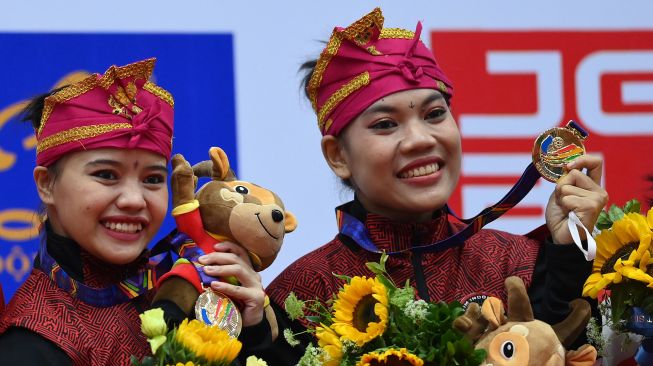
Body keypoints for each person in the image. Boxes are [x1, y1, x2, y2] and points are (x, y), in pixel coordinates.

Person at [246, 8, 608, 364]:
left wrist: (568, 252)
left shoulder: (520, 263)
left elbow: (571, 352)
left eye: (435, 114)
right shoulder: (304, 294)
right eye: (386, 124)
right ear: (338, 155)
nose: (420, 139)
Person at [0, 58, 269, 365]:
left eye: (152, 179)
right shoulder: (31, 341)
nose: (134, 199)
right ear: (46, 185)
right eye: (106, 175)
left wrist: (252, 332)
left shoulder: (192, 291)